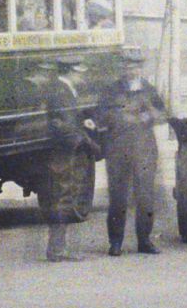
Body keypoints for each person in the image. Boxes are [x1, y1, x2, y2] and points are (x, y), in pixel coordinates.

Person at [101, 43, 167, 255]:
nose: (131, 70)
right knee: (118, 197)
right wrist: (121, 118)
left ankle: (145, 241)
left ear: (141, 68)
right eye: (127, 66)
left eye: (135, 66)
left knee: (146, 197)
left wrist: (150, 115)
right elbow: (100, 115)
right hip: (118, 150)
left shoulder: (149, 89)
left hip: (144, 150)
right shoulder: (111, 91)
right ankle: (116, 242)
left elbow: (163, 113)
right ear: (122, 67)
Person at [42, 58, 99, 262]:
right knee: (62, 197)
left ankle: (58, 248)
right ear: (69, 71)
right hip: (64, 152)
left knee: (64, 196)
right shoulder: (60, 91)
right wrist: (86, 139)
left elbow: (67, 119)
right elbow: (61, 125)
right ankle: (56, 250)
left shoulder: (64, 88)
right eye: (78, 71)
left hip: (65, 150)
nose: (81, 75)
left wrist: (82, 120)